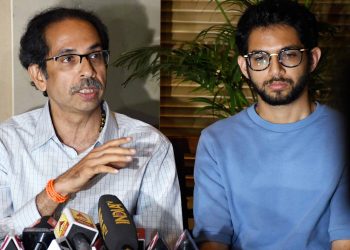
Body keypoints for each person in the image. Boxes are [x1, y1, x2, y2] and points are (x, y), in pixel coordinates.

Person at [0, 7, 183, 246]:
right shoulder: (8, 141)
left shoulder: (148, 145)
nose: (88, 70)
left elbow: (164, 242)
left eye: (95, 56)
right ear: (39, 76)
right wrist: (57, 190)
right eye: (67, 59)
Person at [192, 0, 350, 249]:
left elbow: (345, 239)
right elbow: (213, 239)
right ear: (245, 66)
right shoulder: (216, 140)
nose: (275, 70)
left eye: (289, 55)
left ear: (312, 59)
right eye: (260, 58)